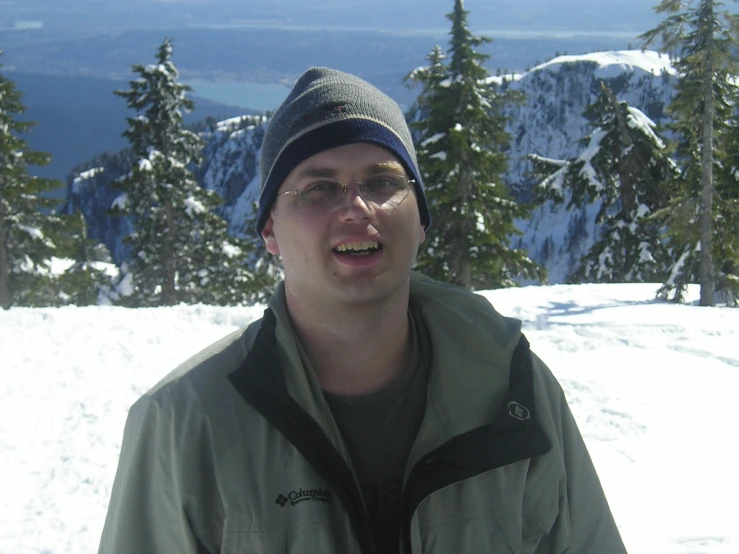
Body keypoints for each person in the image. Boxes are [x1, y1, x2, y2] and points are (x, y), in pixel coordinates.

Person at [98, 67, 627, 554]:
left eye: (382, 182)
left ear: (420, 219)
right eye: (319, 188)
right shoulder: (183, 423)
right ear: (269, 231)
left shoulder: (516, 391)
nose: (356, 208)